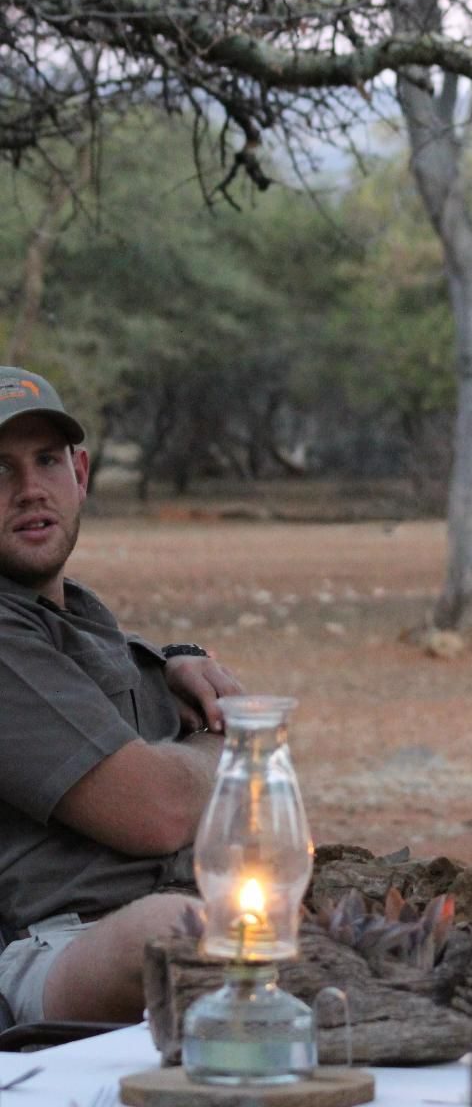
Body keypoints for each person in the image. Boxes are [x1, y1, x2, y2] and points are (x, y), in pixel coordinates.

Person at [0, 367, 243, 1026]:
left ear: (79, 474)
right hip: (55, 945)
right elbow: (158, 811)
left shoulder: (90, 627)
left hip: (192, 911)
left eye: (46, 461)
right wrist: (224, 741)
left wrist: (178, 660)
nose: (28, 491)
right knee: (181, 934)